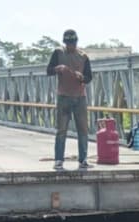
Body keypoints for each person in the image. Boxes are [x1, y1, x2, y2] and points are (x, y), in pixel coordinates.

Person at [46, 29, 93, 171]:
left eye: (72, 43)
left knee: (83, 130)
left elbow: (89, 77)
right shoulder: (58, 53)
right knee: (61, 130)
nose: (70, 45)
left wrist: (82, 78)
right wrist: (56, 69)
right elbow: (48, 71)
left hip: (80, 97)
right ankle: (59, 160)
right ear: (64, 42)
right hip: (63, 96)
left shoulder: (83, 56)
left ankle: (83, 159)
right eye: (68, 43)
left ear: (76, 42)